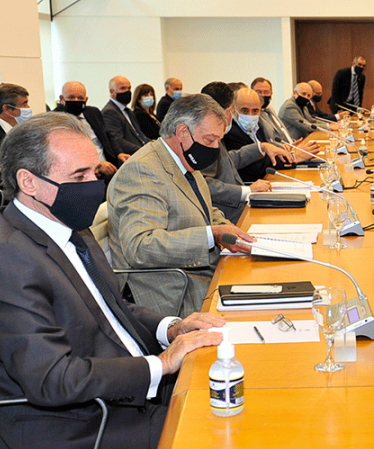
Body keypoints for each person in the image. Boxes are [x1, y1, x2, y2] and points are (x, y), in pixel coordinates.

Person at [0, 112, 226, 449]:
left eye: (93, 172)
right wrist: (163, 364)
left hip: (119, 395)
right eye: (79, 176)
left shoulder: (67, 225)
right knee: (222, 431)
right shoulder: (5, 260)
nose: (94, 185)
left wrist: (172, 328)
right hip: (74, 433)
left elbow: (111, 308)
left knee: (235, 387)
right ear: (29, 181)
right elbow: (53, 380)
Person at [107, 94, 254, 317]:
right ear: (183, 132)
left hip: (199, 274)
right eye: (209, 140)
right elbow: (140, 246)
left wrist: (229, 231)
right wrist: (211, 234)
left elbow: (206, 211)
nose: (215, 148)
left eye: (218, 141)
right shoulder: (143, 170)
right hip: (173, 290)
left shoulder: (184, 161)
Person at [200, 83, 297, 223]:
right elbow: (203, 184)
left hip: (238, 208)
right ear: (230, 111)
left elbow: (227, 160)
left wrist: (261, 147)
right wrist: (247, 190)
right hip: (227, 216)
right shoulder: (206, 137)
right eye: (241, 110)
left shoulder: (214, 134)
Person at [220, 87, 303, 187]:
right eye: (245, 110)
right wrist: (293, 158)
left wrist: (284, 151)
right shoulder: (231, 132)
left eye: (255, 111)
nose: (250, 115)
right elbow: (256, 167)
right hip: (248, 187)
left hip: (265, 182)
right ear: (233, 109)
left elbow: (267, 154)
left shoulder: (258, 125)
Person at [56, 81, 130, 181]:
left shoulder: (93, 112)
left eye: (80, 98)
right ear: (62, 99)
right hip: (82, 174)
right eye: (71, 97)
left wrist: (119, 153)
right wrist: (96, 164)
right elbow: (64, 153)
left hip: (109, 168)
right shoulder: (55, 120)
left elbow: (108, 136)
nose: (76, 101)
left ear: (86, 100)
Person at [102, 75, 148, 155]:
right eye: (123, 88)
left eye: (129, 88)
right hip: (130, 157)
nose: (128, 91)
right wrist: (144, 150)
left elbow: (140, 135)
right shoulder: (109, 112)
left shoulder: (129, 111)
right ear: (112, 92)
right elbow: (118, 141)